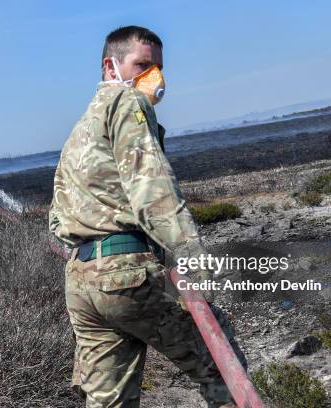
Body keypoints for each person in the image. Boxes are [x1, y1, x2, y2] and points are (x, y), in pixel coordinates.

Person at [49, 26, 246, 407]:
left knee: (109, 401)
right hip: (127, 273)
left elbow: (57, 216)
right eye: (142, 64)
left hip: (82, 280)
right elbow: (152, 187)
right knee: (223, 366)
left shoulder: (80, 129)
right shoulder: (127, 103)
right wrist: (193, 257)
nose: (153, 76)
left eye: (157, 67)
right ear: (111, 66)